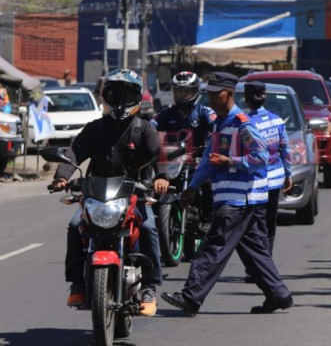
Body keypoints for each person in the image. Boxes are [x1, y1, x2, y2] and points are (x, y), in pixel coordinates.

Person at [161, 72, 293, 315]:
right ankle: (279, 295)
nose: (210, 99)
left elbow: (261, 158)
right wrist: (192, 187)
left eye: (214, 94)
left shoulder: (243, 124)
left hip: (239, 198)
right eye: (208, 94)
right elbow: (209, 162)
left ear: (228, 94)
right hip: (236, 198)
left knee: (214, 245)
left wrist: (229, 160)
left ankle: (191, 297)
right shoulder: (219, 123)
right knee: (254, 251)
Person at [49, 68, 169, 317]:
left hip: (134, 194)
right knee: (75, 226)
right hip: (97, 194)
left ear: (135, 97)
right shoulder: (94, 129)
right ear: (105, 96)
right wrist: (62, 177)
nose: (119, 101)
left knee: (148, 228)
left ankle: (149, 287)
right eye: (114, 94)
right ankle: (78, 283)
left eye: (125, 95)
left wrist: (162, 177)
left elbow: (160, 156)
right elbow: (74, 153)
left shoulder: (144, 129)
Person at [150, 71, 217, 227]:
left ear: (195, 92)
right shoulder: (167, 114)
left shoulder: (204, 112)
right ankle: (155, 217)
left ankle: (208, 219)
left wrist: (212, 140)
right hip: (173, 161)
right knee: (155, 183)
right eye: (179, 91)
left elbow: (216, 125)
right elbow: (151, 127)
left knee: (207, 182)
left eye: (186, 92)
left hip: (198, 160)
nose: (182, 95)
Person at [242, 81, 292, 282]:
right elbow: (285, 150)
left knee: (255, 226)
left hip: (256, 182)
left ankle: (258, 269)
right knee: (270, 225)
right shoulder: (276, 120)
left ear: (246, 99)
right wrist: (288, 174)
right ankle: (266, 265)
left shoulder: (245, 122)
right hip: (276, 179)